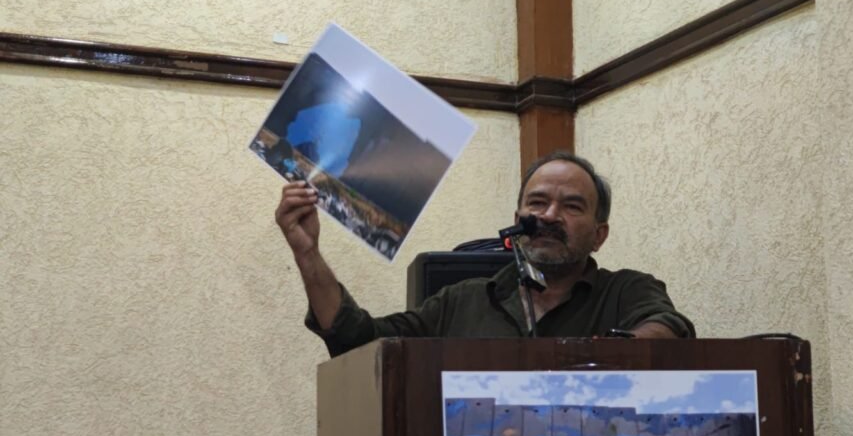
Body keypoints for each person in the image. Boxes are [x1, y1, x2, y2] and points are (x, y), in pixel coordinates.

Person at [275, 151, 694, 357]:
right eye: (537, 203)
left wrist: (615, 355)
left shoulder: (627, 291)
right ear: (517, 220)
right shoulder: (461, 301)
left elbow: (670, 328)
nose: (549, 216)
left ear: (599, 235)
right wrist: (307, 253)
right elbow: (357, 341)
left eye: (571, 206)